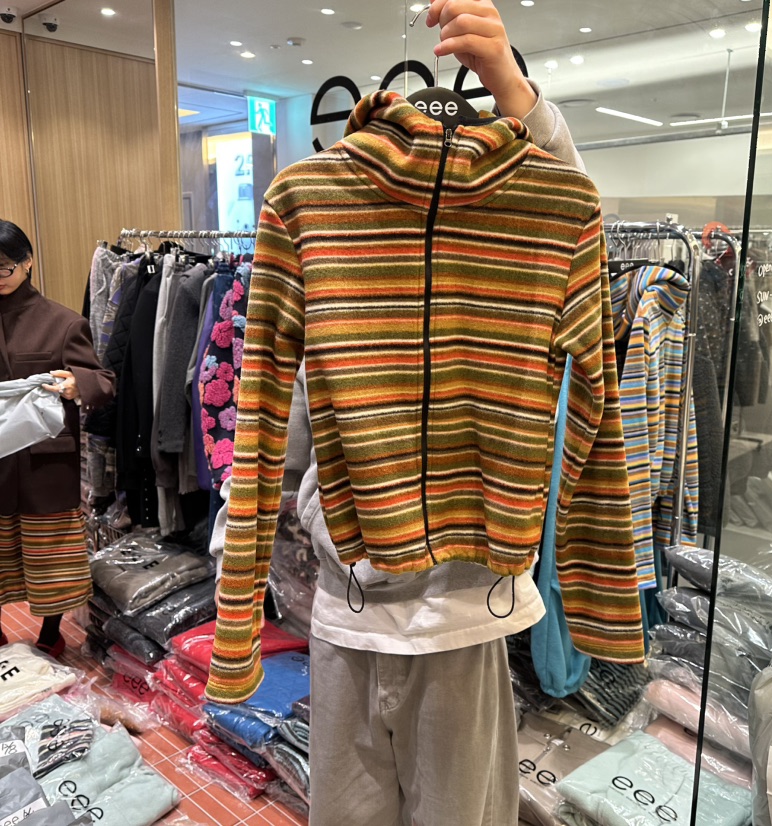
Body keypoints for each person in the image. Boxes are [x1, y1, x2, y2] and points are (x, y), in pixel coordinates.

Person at [209, 0, 644, 823]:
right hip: (354, 604)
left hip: (465, 613)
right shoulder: (307, 203)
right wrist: (239, 614)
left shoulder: (551, 206)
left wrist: (516, 91)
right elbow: (261, 413)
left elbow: (597, 409)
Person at [0, 219, 114, 656]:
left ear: (27, 261)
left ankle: (51, 632)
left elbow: (104, 381)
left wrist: (75, 385)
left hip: (44, 461)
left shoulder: (63, 322)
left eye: (5, 267)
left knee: (51, 556)